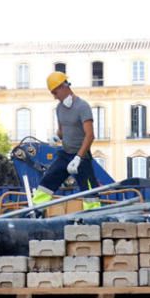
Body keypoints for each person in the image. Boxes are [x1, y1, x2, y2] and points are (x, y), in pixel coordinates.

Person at [31, 71, 101, 210]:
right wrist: (56, 137)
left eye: (55, 93)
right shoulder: (59, 108)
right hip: (66, 154)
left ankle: (94, 215)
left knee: (89, 192)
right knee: (46, 183)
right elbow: (62, 131)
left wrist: (78, 158)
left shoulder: (82, 107)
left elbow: (90, 135)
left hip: (81, 157)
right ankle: (36, 210)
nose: (55, 97)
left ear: (64, 86)